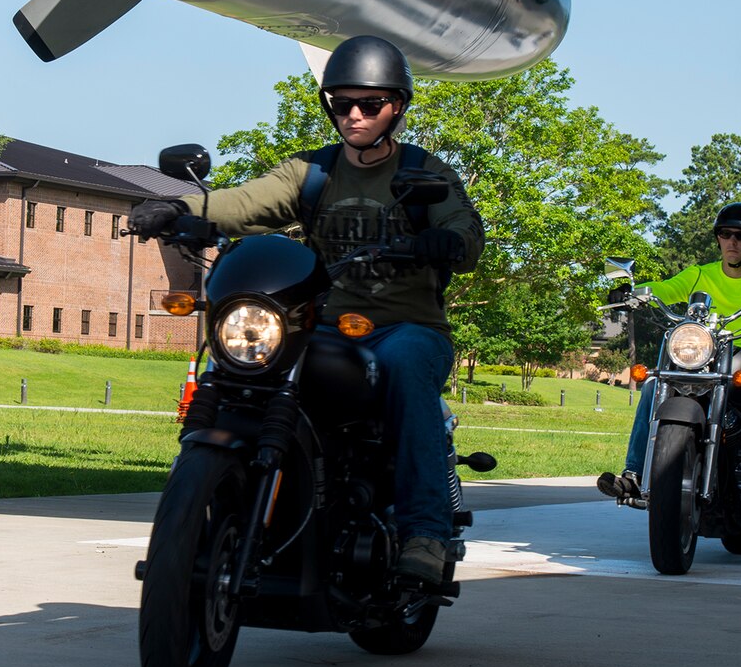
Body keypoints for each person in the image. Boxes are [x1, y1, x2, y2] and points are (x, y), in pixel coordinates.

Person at [127, 35, 484, 587]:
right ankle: (214, 497)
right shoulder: (311, 173)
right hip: (323, 323)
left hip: (404, 327)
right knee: (243, 365)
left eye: (370, 104)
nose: (355, 115)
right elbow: (245, 202)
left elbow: (464, 226)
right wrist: (181, 207)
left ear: (397, 107)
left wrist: (449, 241)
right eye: (342, 103)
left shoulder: (423, 174)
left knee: (410, 366)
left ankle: (425, 533)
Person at [598, 202, 741, 507]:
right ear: (718, 238)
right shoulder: (699, 274)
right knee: (654, 385)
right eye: (725, 234)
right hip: (700, 362)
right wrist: (633, 292)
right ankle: (635, 475)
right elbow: (665, 289)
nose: (732, 241)